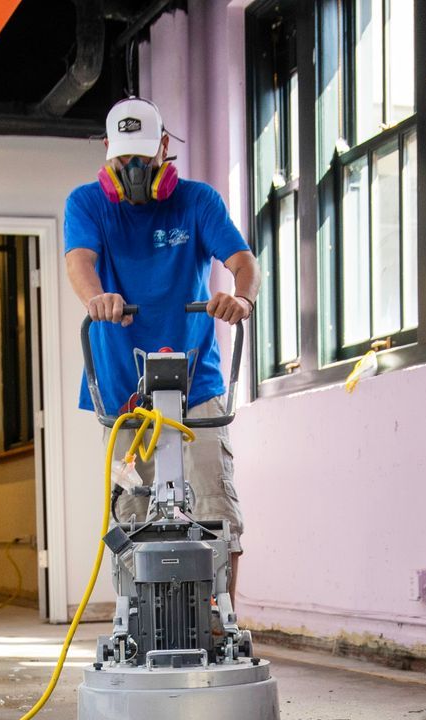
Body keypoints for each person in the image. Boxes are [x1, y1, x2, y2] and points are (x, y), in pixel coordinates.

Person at [63, 96, 259, 591]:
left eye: (144, 158)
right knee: (131, 512)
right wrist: (97, 298)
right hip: (124, 391)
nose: (133, 169)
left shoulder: (197, 201)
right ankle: (136, 622)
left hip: (197, 384)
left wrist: (242, 299)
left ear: (164, 149)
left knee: (215, 507)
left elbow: (242, 260)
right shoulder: (86, 203)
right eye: (124, 159)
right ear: (108, 152)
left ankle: (220, 623)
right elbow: (79, 261)